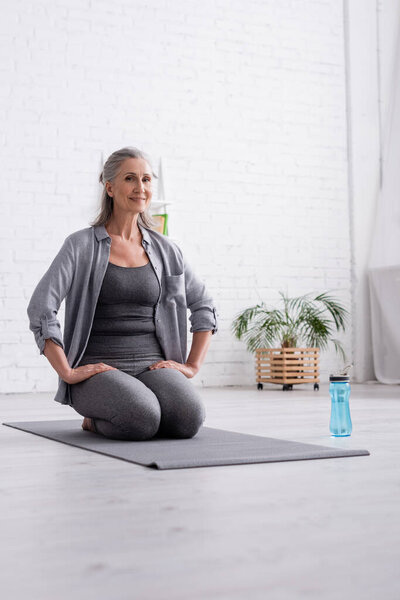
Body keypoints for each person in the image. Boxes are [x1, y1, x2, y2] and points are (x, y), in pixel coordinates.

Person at [27, 147, 218, 441]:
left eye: (146, 180)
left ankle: (139, 406)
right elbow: (41, 306)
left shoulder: (167, 250)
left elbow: (204, 305)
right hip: (98, 369)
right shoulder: (80, 246)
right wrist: (67, 371)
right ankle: (94, 417)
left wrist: (191, 366)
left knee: (189, 419)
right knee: (142, 419)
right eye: (130, 178)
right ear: (110, 187)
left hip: (153, 365)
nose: (140, 188)